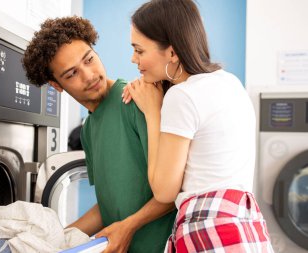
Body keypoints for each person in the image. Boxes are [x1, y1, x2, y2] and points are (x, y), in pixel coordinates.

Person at [123, 0, 275, 252]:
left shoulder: (182, 96)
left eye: (139, 50)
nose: (133, 59)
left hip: (210, 233)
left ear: (171, 53)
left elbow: (164, 191)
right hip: (246, 229)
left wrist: (152, 111)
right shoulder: (230, 83)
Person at [22, 16, 176, 253]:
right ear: (57, 85)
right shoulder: (88, 130)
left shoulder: (137, 101)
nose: (89, 75)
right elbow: (109, 205)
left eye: (89, 59)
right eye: (72, 73)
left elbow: (173, 191)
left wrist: (128, 227)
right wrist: (57, 240)